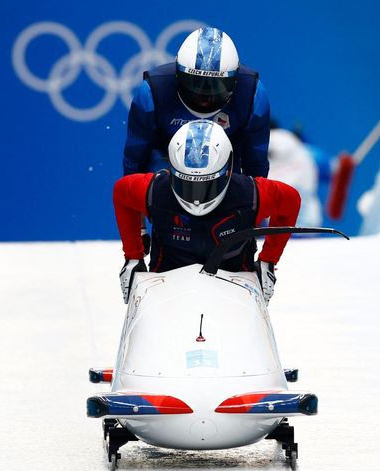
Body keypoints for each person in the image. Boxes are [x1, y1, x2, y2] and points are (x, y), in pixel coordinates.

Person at [114, 120, 300, 304]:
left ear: (226, 170)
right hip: (165, 294)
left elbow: (291, 201)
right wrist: (133, 256)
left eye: (206, 185)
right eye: (186, 184)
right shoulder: (156, 190)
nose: (196, 198)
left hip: (235, 296)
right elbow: (121, 193)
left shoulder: (250, 194)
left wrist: (268, 260)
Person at [122, 27, 270, 178]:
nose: (204, 98)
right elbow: (135, 157)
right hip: (165, 166)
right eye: (195, 83)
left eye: (216, 86)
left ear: (235, 80)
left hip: (227, 170)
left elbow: (256, 164)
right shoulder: (152, 92)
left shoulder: (252, 94)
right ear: (177, 75)